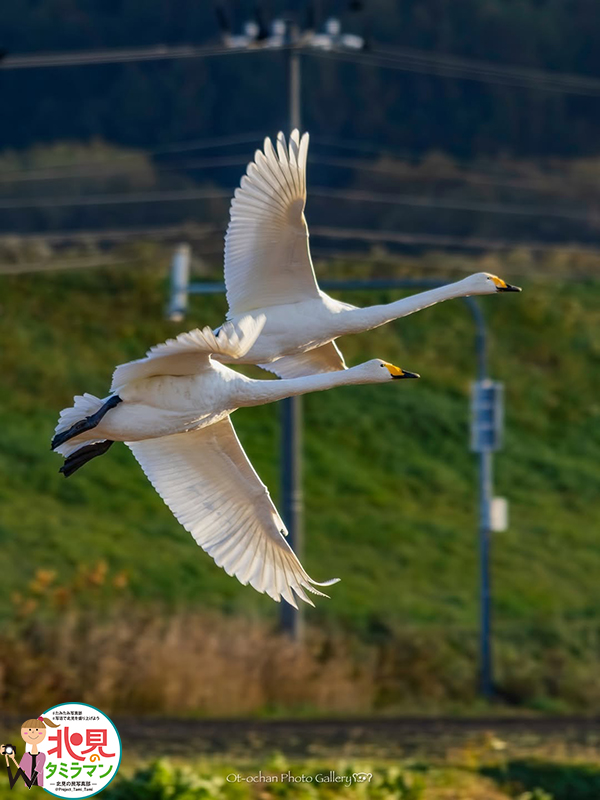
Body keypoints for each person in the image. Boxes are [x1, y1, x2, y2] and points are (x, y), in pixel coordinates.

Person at [2, 716, 59, 789]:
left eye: (37, 730)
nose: (32, 732)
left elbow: (33, 777)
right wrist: (9, 758)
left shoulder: (42, 756)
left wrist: (29, 783)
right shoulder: (26, 755)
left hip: (39, 788)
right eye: (29, 730)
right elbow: (17, 775)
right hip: (28, 789)